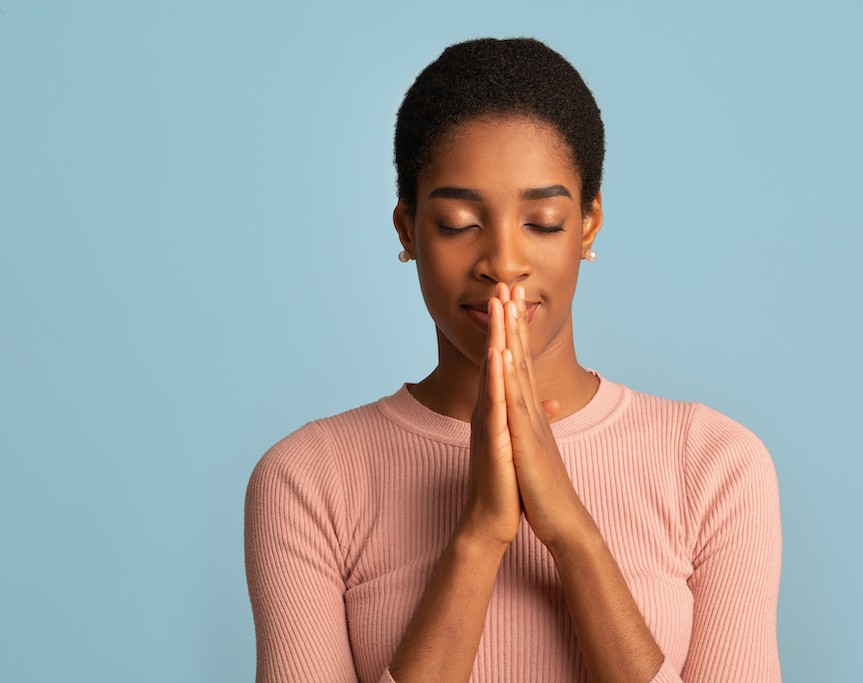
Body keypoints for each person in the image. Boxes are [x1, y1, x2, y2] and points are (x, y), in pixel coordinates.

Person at [244, 37, 782, 683]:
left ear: (587, 225)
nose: (502, 262)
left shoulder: (713, 464)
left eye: (543, 221)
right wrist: (478, 537)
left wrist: (574, 536)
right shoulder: (309, 479)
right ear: (407, 230)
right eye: (457, 222)